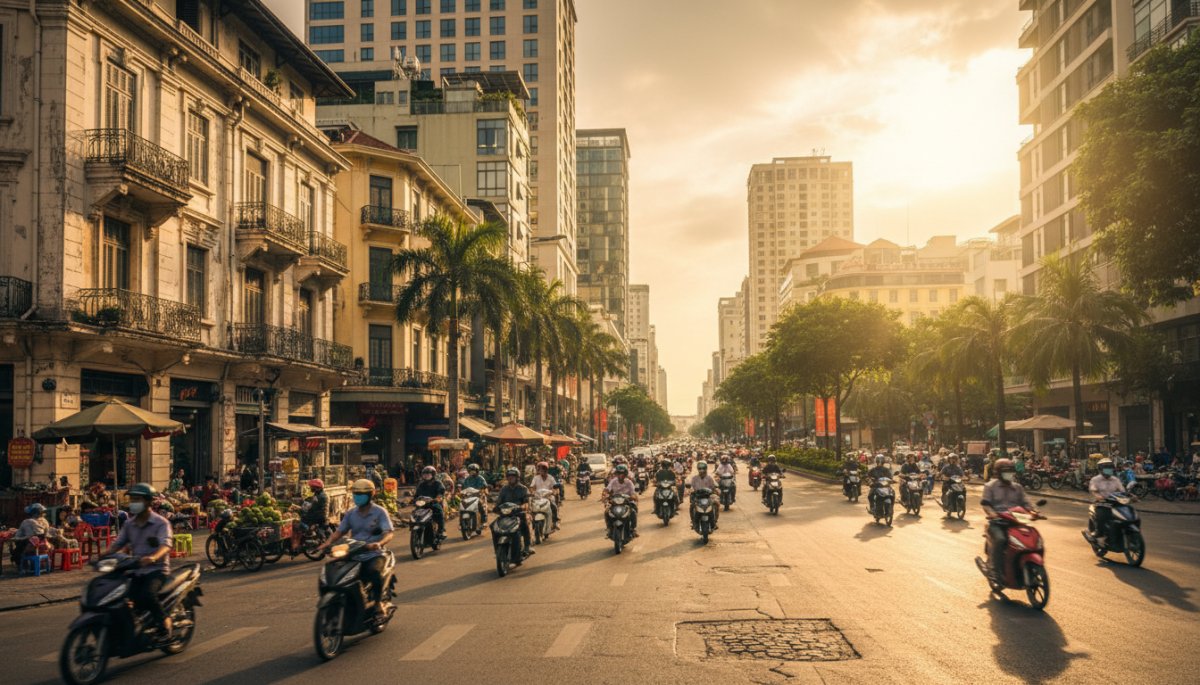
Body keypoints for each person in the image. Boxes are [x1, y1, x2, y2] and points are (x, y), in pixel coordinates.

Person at [105, 483, 174, 639]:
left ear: (148, 502)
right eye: (132, 499)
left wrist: (154, 557)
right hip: (135, 569)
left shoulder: (161, 523)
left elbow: (166, 544)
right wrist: (104, 555)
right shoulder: (130, 523)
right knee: (118, 595)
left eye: (137, 499)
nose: (133, 503)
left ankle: (164, 621)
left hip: (156, 570)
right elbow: (119, 543)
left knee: (147, 595)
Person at [318, 479, 394, 618]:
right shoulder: (351, 513)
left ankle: (378, 604)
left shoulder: (379, 512)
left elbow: (389, 533)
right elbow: (339, 532)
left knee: (374, 573)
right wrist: (327, 543)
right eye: (356, 493)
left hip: (373, 553)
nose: (358, 496)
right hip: (353, 552)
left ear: (371, 494)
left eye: (362, 494)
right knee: (328, 571)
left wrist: (380, 543)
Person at [980, 459, 1036, 582]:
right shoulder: (990, 486)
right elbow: (985, 504)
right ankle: (994, 570)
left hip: (1017, 522)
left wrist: (1033, 511)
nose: (1009, 474)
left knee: (1033, 537)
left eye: (1011, 471)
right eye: (1006, 472)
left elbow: (1026, 503)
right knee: (1000, 540)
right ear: (999, 472)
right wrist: (992, 514)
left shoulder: (1018, 487)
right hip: (998, 523)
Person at [1087, 458, 1128, 546]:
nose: (1109, 470)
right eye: (1106, 467)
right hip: (1102, 503)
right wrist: (1099, 497)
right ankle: (1099, 536)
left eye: (1110, 467)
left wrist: (1131, 496)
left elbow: (1122, 491)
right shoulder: (1095, 480)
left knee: (1128, 512)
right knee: (1102, 516)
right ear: (1100, 469)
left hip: (1116, 503)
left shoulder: (1115, 479)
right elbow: (1094, 491)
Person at [495, 468, 534, 556]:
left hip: (519, 514)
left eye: (513, 476)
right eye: (509, 476)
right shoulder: (504, 489)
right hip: (506, 514)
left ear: (517, 477)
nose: (511, 478)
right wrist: (495, 508)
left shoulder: (523, 489)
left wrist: (523, 507)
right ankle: (497, 548)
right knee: (494, 526)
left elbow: (527, 502)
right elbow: (499, 502)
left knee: (525, 522)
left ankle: (527, 546)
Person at [602, 464, 639, 537]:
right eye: (619, 473)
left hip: (627, 501)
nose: (620, 475)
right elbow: (607, 489)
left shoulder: (629, 482)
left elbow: (633, 493)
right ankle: (609, 528)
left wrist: (633, 497)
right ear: (616, 474)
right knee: (607, 512)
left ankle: (633, 529)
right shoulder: (613, 481)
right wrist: (605, 494)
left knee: (633, 512)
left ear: (625, 474)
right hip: (615, 501)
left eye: (622, 473)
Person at [413, 466, 448, 540]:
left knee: (439, 512)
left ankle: (441, 530)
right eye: (424, 474)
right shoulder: (421, 484)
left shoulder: (438, 483)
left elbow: (441, 492)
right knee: (415, 513)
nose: (426, 476)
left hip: (433, 503)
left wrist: (437, 498)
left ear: (433, 474)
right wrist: (411, 500)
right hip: (422, 504)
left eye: (428, 474)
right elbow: (416, 494)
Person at [687, 461, 719, 530]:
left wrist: (716, 490)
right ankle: (693, 521)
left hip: (708, 497)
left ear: (706, 469)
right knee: (692, 506)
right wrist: (690, 490)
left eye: (703, 468)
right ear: (698, 469)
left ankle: (715, 521)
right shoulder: (694, 478)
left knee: (716, 503)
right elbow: (691, 487)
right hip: (697, 497)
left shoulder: (710, 478)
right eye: (700, 468)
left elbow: (714, 486)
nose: (701, 470)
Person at [530, 462, 560, 531]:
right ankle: (532, 522)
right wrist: (532, 492)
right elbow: (532, 487)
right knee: (531, 508)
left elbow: (555, 487)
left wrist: (554, 492)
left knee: (553, 506)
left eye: (544, 469)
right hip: (538, 497)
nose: (542, 471)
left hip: (548, 496)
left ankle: (555, 521)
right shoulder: (536, 478)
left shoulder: (551, 478)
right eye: (540, 469)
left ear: (546, 470)